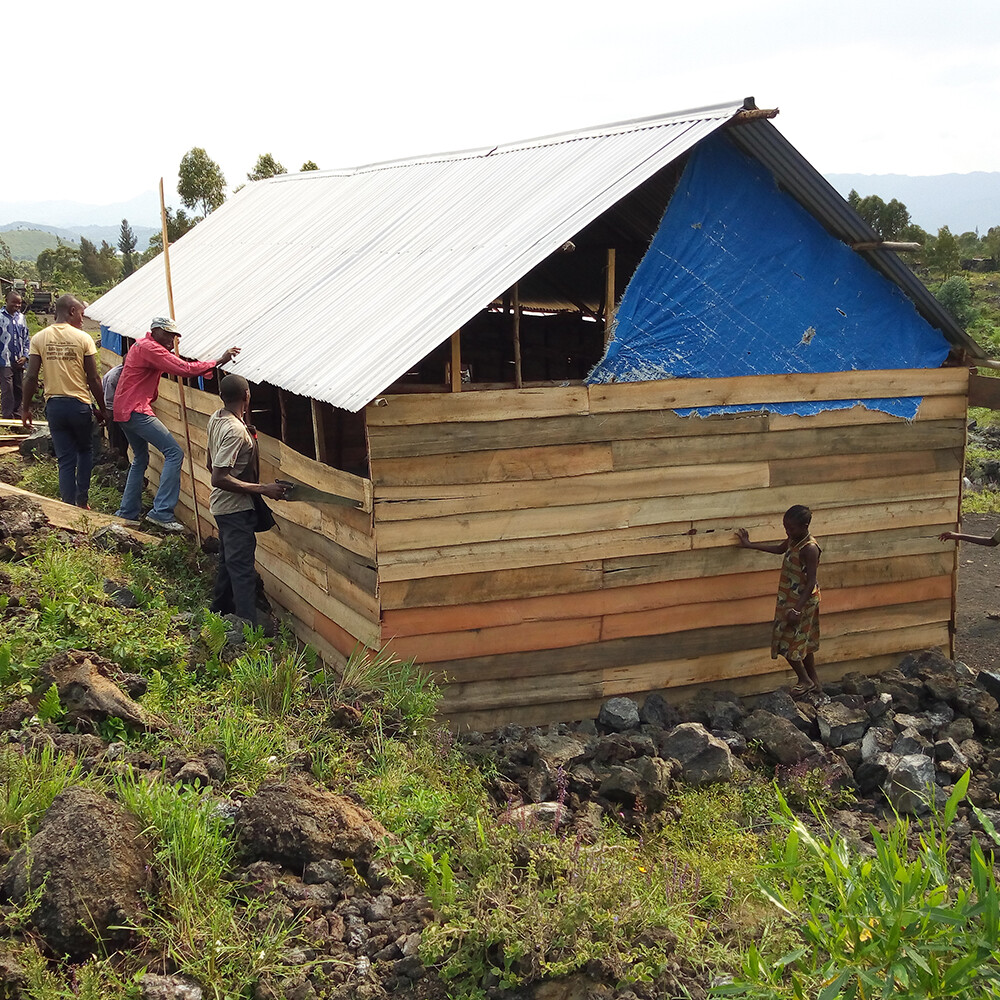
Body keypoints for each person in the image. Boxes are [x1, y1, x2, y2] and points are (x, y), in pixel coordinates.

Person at [113, 316, 239, 531]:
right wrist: (219, 360)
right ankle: (161, 512)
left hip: (123, 409)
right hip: (136, 410)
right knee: (174, 453)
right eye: (169, 335)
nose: (173, 340)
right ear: (155, 332)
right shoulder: (151, 348)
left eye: (175, 336)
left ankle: (128, 511)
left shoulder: (142, 345)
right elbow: (184, 369)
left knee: (140, 458)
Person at [207, 373, 287, 625]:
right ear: (247, 396)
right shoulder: (235, 432)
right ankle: (246, 628)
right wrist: (263, 489)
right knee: (242, 569)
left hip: (223, 507)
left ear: (222, 396)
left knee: (228, 562)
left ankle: (218, 612)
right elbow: (218, 477)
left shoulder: (217, 418)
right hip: (233, 509)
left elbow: (211, 463)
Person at [21, 294, 106, 508]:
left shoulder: (39, 338)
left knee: (65, 459)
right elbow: (93, 378)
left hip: (55, 407)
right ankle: (82, 501)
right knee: (85, 451)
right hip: (78, 406)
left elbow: (30, 377)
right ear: (71, 311)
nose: (82, 318)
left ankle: (67, 505)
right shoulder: (83, 338)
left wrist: (25, 408)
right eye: (81, 314)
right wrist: (104, 409)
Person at [737, 504, 822, 696]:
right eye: (786, 527)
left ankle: (804, 680)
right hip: (791, 599)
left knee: (786, 641)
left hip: (803, 601)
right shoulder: (794, 539)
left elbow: (811, 583)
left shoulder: (809, 549)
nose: (788, 531)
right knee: (804, 642)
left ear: (806, 525)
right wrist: (750, 545)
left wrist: (797, 609)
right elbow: (778, 549)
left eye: (791, 528)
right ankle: (815, 683)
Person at [0, 289, 30, 418]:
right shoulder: (0, 317)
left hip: (19, 360)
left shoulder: (21, 318)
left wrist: (25, 356)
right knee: (7, 389)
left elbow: (26, 338)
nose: (17, 306)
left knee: (19, 388)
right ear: (6, 301)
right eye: (14, 303)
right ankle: (7, 416)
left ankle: (17, 415)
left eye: (20, 303)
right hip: (3, 360)